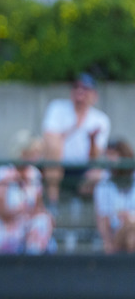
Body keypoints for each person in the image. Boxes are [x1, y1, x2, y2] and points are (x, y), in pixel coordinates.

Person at [41, 72, 111, 212]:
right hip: (58, 164)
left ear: (94, 95)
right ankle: (53, 204)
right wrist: (75, 126)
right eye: (76, 87)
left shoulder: (101, 119)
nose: (80, 92)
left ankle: (79, 202)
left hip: (82, 169)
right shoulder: (57, 108)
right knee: (53, 151)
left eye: (85, 88)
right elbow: (50, 139)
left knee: (99, 173)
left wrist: (92, 140)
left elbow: (94, 158)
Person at [0, 131, 55, 254]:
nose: (36, 157)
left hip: (28, 230)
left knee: (43, 221)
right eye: (33, 153)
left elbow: (38, 208)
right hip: (6, 231)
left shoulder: (34, 174)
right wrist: (21, 210)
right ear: (22, 153)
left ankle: (32, 259)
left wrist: (45, 215)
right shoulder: (2, 174)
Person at [93, 139, 135, 254]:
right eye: (108, 155)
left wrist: (130, 217)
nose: (110, 160)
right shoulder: (103, 184)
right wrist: (107, 242)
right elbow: (103, 218)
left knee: (132, 236)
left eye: (113, 155)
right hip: (116, 233)